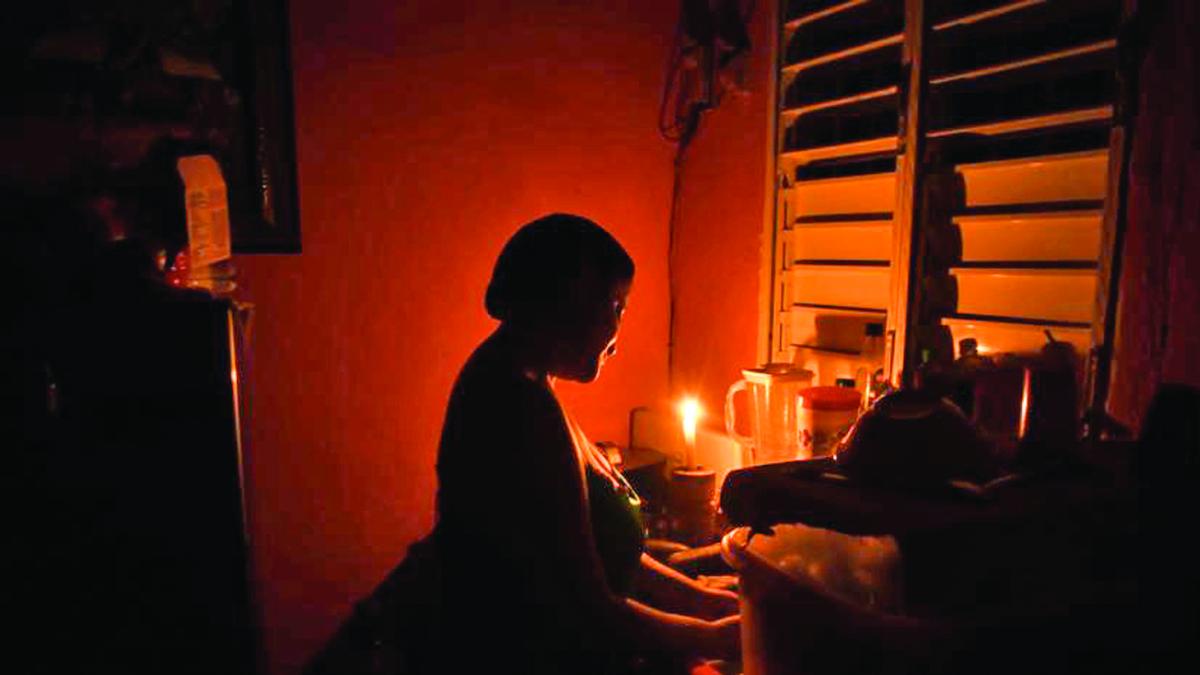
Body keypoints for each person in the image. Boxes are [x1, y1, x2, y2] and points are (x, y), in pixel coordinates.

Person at [425, 213, 740, 674]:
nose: (616, 338)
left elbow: (597, 554)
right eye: (616, 307)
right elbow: (586, 608)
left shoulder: (526, 382)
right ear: (571, 301)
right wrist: (714, 637)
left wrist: (701, 601)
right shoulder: (516, 406)